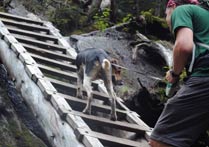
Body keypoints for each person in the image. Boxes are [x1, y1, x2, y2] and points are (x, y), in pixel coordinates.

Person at [149, 0, 209, 147]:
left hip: (204, 77)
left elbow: (183, 46)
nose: (167, 19)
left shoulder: (182, 10)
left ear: (172, 6)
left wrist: (174, 74)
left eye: (166, 15)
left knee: (161, 140)